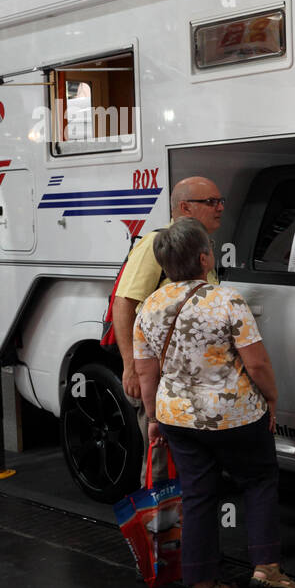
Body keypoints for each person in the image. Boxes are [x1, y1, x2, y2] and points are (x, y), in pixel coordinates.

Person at [132, 218, 295, 588]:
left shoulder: (149, 307)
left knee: (197, 496)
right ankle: (266, 568)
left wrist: (155, 418)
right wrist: (272, 400)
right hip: (235, 416)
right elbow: (257, 365)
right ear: (205, 257)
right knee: (259, 480)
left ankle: (201, 586)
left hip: (178, 419)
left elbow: (146, 373)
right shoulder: (227, 300)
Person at [112, 177, 225, 483]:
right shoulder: (156, 244)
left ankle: (187, 525)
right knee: (162, 458)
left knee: (190, 464)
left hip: (191, 379)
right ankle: (158, 527)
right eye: (211, 202)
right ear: (184, 207)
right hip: (159, 377)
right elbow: (123, 304)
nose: (220, 208)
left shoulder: (198, 245)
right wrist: (130, 367)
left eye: (220, 201)